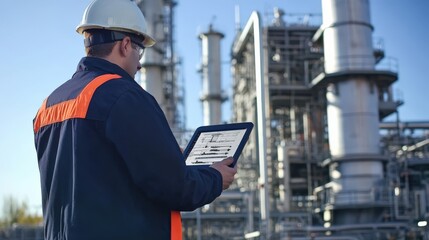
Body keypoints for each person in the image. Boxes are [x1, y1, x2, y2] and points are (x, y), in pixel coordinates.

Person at [32, 0, 237, 239]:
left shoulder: (47, 106)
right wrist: (215, 177)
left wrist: (167, 156)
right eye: (140, 50)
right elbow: (176, 188)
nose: (140, 63)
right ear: (126, 44)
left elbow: (94, 172)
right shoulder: (124, 96)